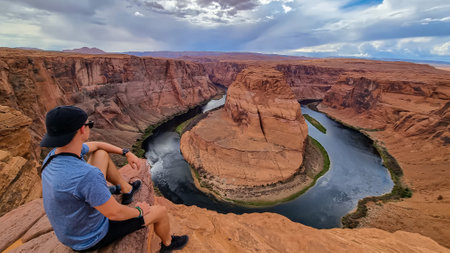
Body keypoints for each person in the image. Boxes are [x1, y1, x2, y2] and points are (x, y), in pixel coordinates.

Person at [40, 105, 188, 252]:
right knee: (160, 212)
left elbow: (97, 145)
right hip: (90, 237)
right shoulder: (87, 175)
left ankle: (126, 189)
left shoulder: (53, 155)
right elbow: (115, 213)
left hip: (69, 231)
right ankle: (168, 244)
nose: (90, 127)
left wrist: (126, 153)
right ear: (82, 129)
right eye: (89, 124)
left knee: (101, 154)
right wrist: (139, 211)